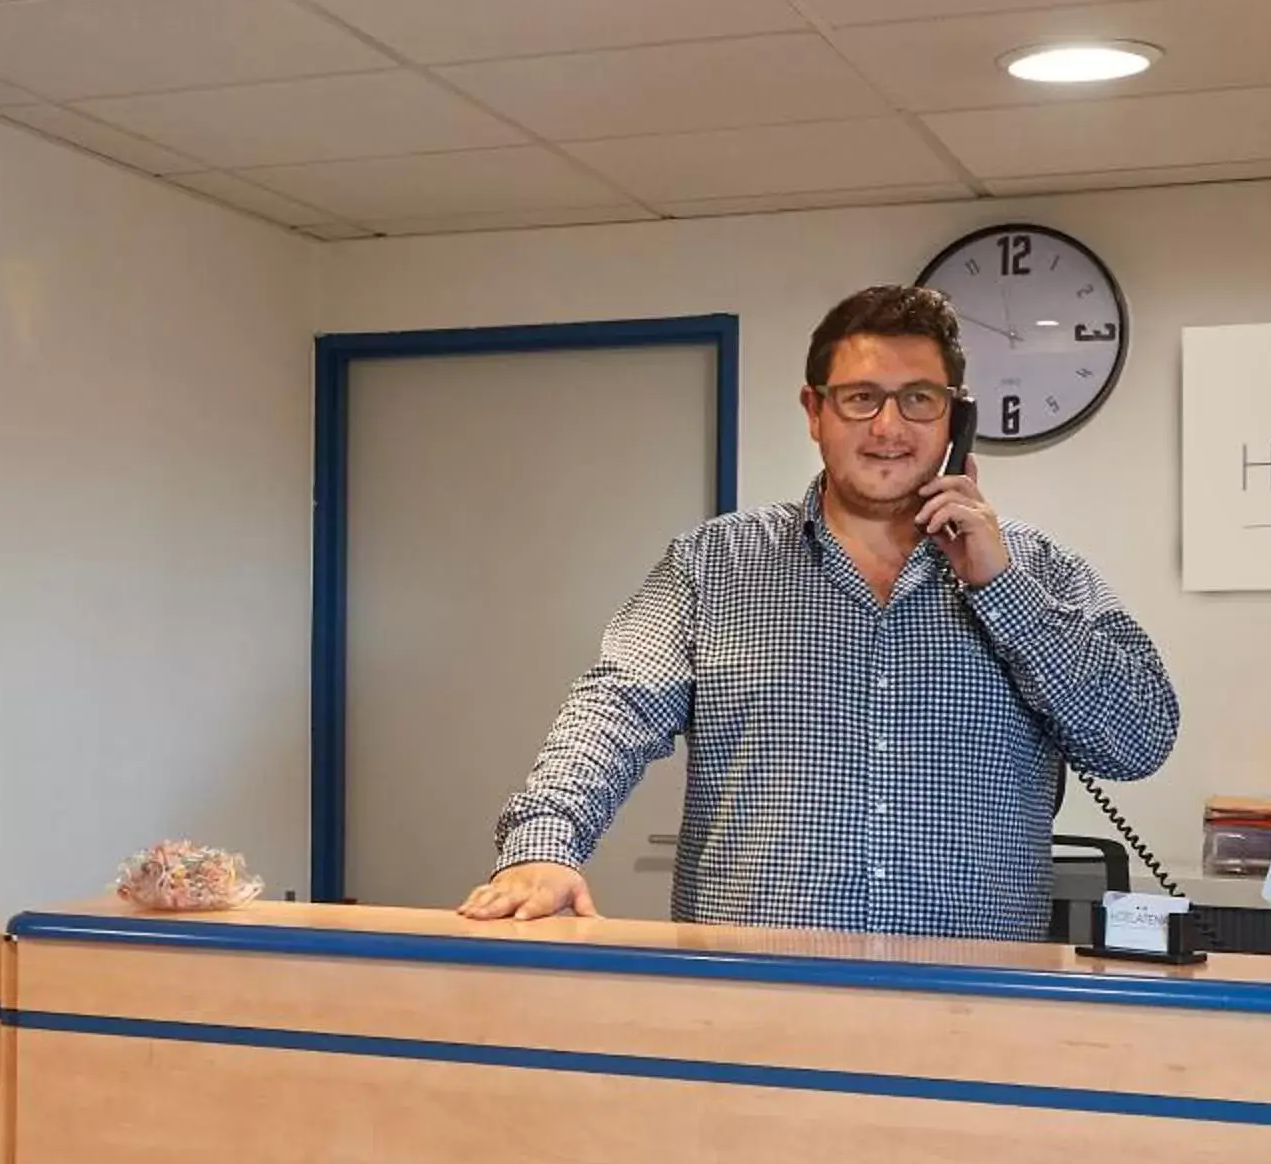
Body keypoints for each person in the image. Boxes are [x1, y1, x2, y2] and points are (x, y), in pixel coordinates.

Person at [460, 284, 1177, 941]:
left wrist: (1000, 588)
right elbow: (612, 710)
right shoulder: (713, 564)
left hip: (971, 1002)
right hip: (750, 1001)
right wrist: (544, 847)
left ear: (957, 417)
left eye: (919, 399)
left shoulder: (1037, 568)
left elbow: (1139, 739)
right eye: (861, 398)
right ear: (815, 411)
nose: (889, 427)